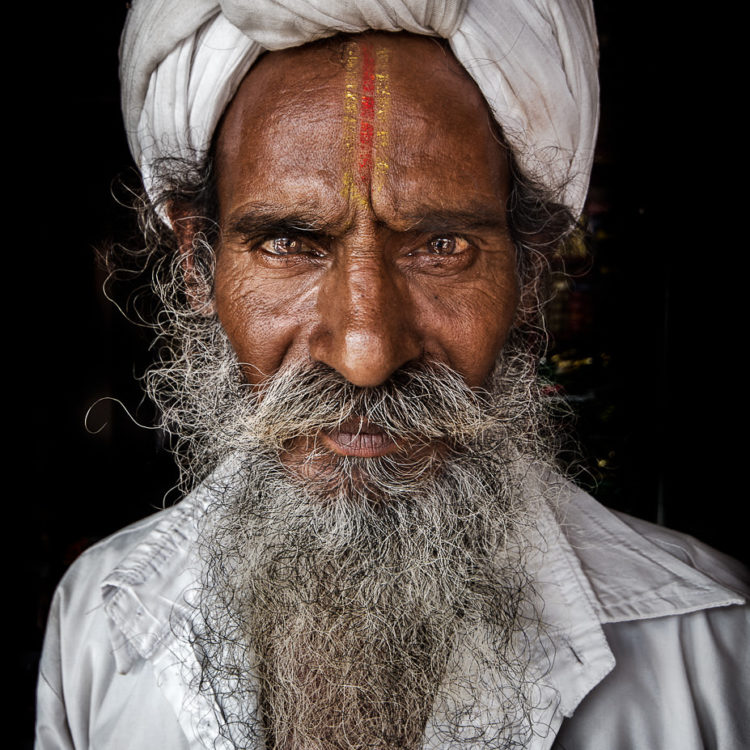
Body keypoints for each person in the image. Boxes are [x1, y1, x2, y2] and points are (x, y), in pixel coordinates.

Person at [35, 1, 749, 748]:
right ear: (197, 263)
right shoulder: (95, 625)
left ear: (530, 270)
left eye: (442, 246)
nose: (367, 353)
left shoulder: (715, 655)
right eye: (290, 242)